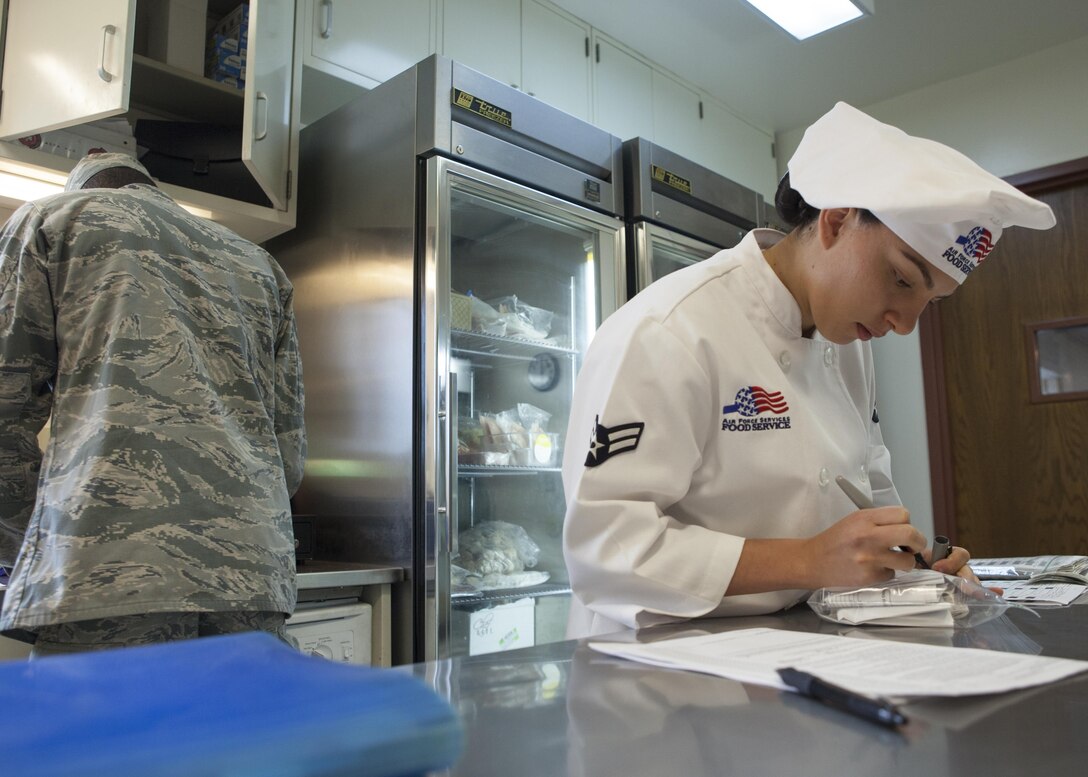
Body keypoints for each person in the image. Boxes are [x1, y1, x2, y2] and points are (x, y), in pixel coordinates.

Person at [561, 102, 1056, 638]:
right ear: (837, 220)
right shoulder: (670, 330)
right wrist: (807, 560)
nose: (905, 323)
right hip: (657, 676)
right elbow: (605, 550)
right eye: (902, 279)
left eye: (931, 302)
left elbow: (865, 484)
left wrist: (909, 563)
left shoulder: (847, 344)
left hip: (794, 656)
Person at [0, 153, 306, 656]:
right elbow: (287, 451)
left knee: (111, 737)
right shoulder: (258, 263)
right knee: (235, 735)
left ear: (81, 186)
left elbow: (7, 414)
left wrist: (35, 544)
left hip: (109, 567)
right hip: (251, 574)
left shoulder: (51, 220)